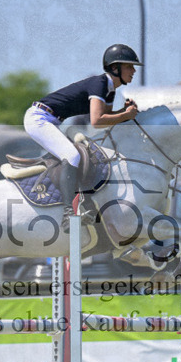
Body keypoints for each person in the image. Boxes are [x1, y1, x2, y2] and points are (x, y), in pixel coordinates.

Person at [24, 44, 143, 227]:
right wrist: (126, 115)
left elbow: (107, 119)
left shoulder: (110, 90)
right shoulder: (100, 83)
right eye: (129, 66)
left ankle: (85, 201)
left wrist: (123, 111)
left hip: (52, 120)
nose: (134, 70)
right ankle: (68, 213)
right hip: (39, 118)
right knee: (72, 155)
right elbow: (96, 120)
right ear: (115, 68)